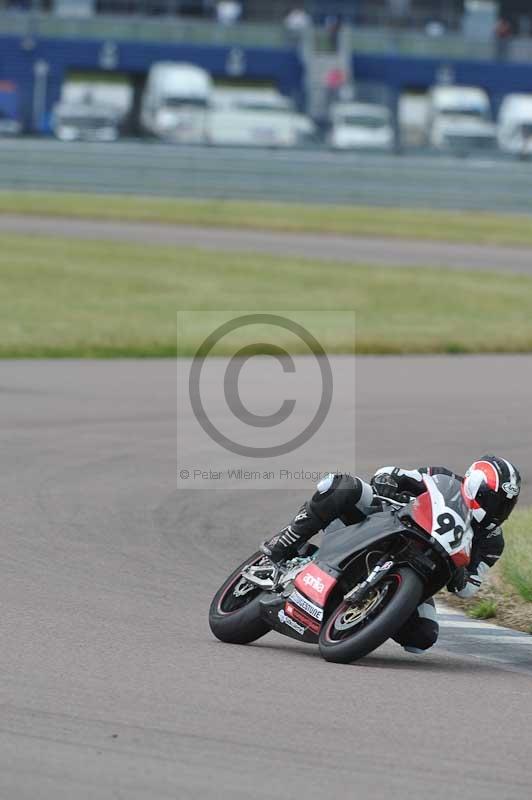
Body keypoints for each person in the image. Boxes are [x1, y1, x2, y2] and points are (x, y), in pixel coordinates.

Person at [261, 456, 521, 654]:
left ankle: (359, 618)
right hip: (383, 525)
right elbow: (393, 473)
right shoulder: (443, 479)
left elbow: (470, 587)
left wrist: (461, 577)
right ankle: (284, 543)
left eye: (505, 505)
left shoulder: (492, 543)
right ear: (474, 487)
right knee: (344, 486)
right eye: (494, 500)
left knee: (423, 637)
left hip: (423, 572)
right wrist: (387, 483)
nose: (498, 509)